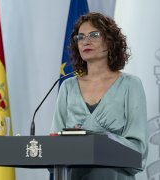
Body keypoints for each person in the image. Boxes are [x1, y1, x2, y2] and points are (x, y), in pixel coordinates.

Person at [51, 12, 147, 180]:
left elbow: (138, 150)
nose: (85, 41)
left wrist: (98, 140)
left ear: (110, 41)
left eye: (94, 35)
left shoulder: (131, 85)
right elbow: (53, 147)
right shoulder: (67, 86)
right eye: (80, 37)